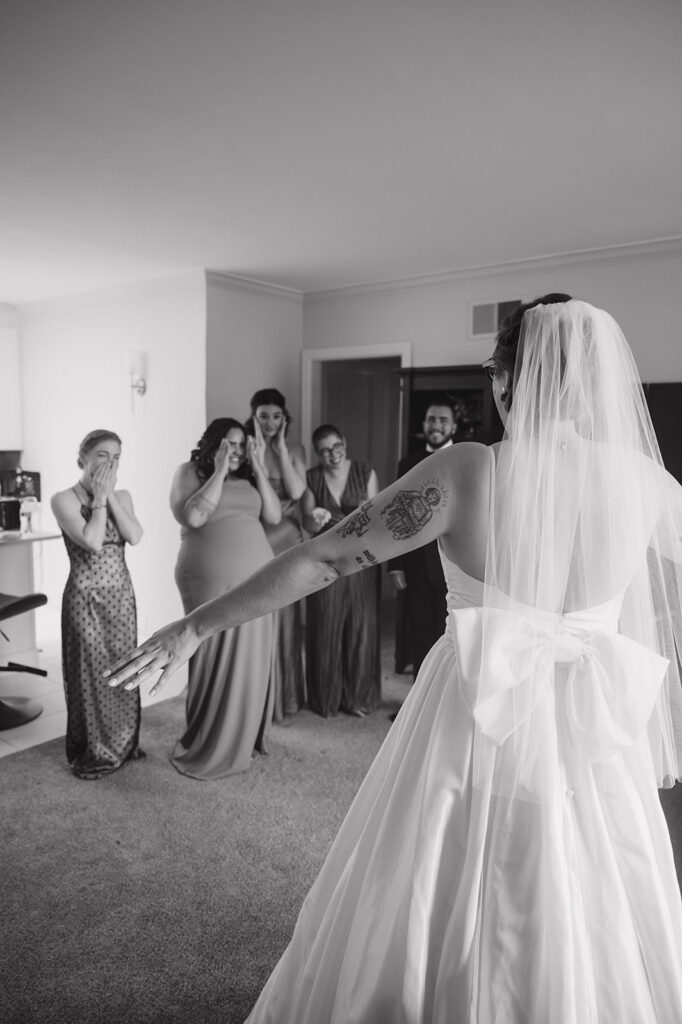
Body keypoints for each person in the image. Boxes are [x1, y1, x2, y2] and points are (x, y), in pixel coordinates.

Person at [107, 297, 682, 1022]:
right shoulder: (643, 482)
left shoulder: (468, 470)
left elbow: (320, 560)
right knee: (586, 877)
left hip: (475, 709)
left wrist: (194, 627)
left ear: (504, 379)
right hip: (593, 725)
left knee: (442, 873)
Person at [169, 417, 281, 780]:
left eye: (241, 445)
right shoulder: (189, 473)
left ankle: (244, 735)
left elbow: (275, 515)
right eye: (229, 444)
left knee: (252, 656)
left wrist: (259, 466)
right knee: (210, 652)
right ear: (215, 445)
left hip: (258, 581)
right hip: (207, 581)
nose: (236, 451)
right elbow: (195, 517)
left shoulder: (249, 478)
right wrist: (218, 471)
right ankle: (207, 740)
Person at [51, 429, 143, 780]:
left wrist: (111, 496)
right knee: (91, 676)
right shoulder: (64, 499)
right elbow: (91, 541)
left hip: (121, 597)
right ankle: (96, 749)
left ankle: (123, 743)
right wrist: (100, 500)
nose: (111, 463)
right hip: (85, 598)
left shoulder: (123, 495)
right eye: (103, 455)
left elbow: (134, 536)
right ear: (83, 459)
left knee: (123, 671)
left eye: (117, 456)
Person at [300, 424, 381, 717]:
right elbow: (307, 524)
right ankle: (326, 698)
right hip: (325, 561)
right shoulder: (312, 478)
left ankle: (358, 698)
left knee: (361, 628)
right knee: (326, 626)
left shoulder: (365, 471)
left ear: (344, 443)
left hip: (361, 560)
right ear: (317, 453)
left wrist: (365, 512)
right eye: (324, 450)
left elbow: (377, 517)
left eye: (337, 447)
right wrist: (315, 518)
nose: (332, 454)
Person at [246, 389, 307, 720]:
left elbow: (297, 491)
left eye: (276, 416)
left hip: (288, 538)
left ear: (285, 418)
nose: (270, 422)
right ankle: (257, 698)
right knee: (256, 614)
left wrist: (281, 449)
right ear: (254, 417)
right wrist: (255, 456)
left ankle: (284, 698)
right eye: (263, 416)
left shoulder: (294, 449)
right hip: (255, 539)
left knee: (285, 618)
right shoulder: (246, 448)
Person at [388, 397, 458, 681]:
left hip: (457, 562)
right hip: (417, 561)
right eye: (431, 419)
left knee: (454, 636)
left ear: (454, 425)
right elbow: (395, 514)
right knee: (418, 632)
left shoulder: (470, 457)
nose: (436, 425)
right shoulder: (407, 462)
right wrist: (395, 564)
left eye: (443, 420)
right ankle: (418, 701)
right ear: (424, 424)